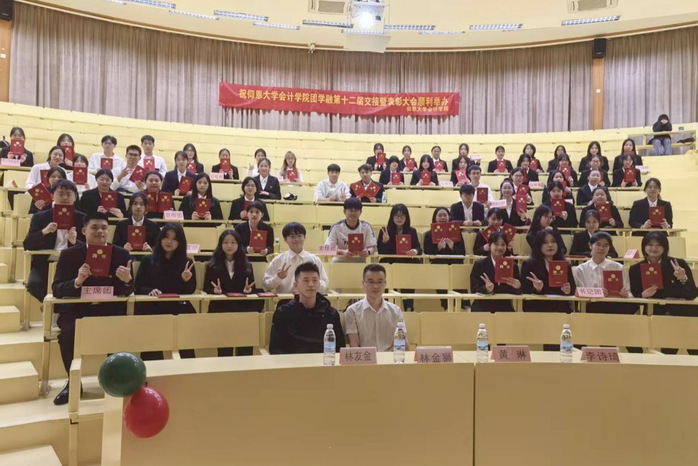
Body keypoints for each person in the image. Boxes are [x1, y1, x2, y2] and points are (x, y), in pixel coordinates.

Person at [51, 212, 133, 405]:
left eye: (104, 228)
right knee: (68, 333)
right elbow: (57, 289)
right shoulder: (69, 254)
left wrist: (127, 280)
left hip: (109, 311)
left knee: (119, 330)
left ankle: (115, 381)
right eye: (94, 227)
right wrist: (77, 281)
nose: (100, 232)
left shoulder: (121, 254)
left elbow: (129, 290)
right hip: (77, 311)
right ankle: (73, 382)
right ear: (84, 230)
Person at [134, 223, 196, 360]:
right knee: (152, 344)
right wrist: (150, 290)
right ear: (160, 238)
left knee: (186, 340)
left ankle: (187, 368)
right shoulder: (148, 260)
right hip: (154, 308)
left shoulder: (187, 262)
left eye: (174, 239)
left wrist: (185, 280)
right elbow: (138, 286)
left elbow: (190, 291)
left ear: (180, 242)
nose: (169, 241)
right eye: (166, 237)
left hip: (177, 307)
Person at [629, 232, 698, 354]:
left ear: (665, 247)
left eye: (658, 245)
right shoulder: (635, 269)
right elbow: (635, 295)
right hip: (656, 313)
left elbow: (692, 294)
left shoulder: (678, 264)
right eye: (650, 244)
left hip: (683, 313)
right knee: (667, 351)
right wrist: (643, 296)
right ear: (644, 246)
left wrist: (683, 279)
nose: (654, 248)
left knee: (693, 348)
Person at [23, 180, 86, 303]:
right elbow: (27, 244)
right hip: (45, 262)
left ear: (75, 197)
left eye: (69, 194)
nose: (65, 198)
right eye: (60, 194)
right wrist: (44, 232)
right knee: (34, 284)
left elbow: (88, 247)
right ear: (52, 196)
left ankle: (57, 309)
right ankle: (50, 307)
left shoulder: (83, 218)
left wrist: (75, 242)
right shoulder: (40, 217)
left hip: (72, 263)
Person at [204, 229, 263, 356]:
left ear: (238, 244)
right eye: (225, 242)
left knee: (245, 349)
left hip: (243, 310)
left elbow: (251, 287)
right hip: (221, 309)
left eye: (233, 242)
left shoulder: (247, 265)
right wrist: (214, 291)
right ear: (220, 244)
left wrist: (248, 291)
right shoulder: (211, 266)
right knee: (224, 349)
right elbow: (206, 288)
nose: (229, 246)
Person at [269, 262, 345, 354]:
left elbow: (340, 348)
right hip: (293, 361)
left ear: (319, 284)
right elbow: (275, 349)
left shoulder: (331, 314)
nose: (311, 284)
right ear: (296, 285)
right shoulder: (283, 313)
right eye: (306, 280)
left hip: (323, 361)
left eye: (314, 280)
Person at [345, 264, 408, 350]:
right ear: (363, 284)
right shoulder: (352, 311)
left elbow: (403, 342)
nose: (375, 286)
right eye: (371, 282)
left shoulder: (396, 311)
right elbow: (354, 344)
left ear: (385, 284)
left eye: (379, 282)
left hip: (390, 357)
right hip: (366, 357)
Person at [573, 232, 636, 315]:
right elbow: (580, 292)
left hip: (617, 305)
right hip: (592, 305)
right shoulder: (581, 269)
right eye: (598, 244)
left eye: (605, 245)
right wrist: (598, 293)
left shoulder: (619, 267)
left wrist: (626, 294)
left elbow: (628, 291)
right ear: (590, 246)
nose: (601, 248)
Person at [377, 205, 421, 312]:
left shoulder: (412, 231)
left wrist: (415, 251)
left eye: (402, 216)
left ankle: (409, 308)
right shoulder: (384, 230)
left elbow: (419, 248)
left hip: (406, 264)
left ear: (406, 217)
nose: (399, 218)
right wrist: (385, 242)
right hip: (390, 264)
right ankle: (387, 309)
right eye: (396, 216)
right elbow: (381, 251)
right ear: (392, 217)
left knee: (408, 286)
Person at [263, 222, 328, 293]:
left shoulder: (315, 260)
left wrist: (313, 283)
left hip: (309, 298)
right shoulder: (278, 260)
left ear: (304, 237)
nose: (296, 239)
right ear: (285, 239)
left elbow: (325, 284)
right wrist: (278, 278)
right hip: (285, 298)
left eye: (299, 236)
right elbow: (266, 285)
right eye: (292, 236)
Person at [521, 230, 576, 312]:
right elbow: (524, 291)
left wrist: (568, 290)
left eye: (553, 242)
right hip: (538, 309)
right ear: (539, 245)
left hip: (561, 309)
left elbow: (573, 290)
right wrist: (537, 289)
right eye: (545, 242)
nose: (550, 245)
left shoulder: (565, 264)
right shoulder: (529, 265)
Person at [470, 231, 522, 312]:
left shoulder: (513, 266)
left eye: (503, 245)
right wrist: (487, 289)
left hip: (504, 307)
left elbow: (515, 291)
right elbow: (474, 288)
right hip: (482, 306)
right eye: (496, 244)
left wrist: (518, 287)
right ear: (489, 246)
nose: (500, 248)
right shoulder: (479, 264)